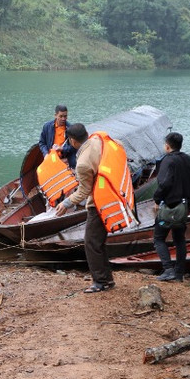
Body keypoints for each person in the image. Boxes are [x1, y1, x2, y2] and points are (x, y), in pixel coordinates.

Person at [54, 123, 115, 293]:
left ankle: (100, 282)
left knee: (90, 242)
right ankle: (107, 279)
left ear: (72, 141)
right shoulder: (97, 140)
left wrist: (66, 203)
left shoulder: (82, 163)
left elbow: (84, 191)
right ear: (86, 134)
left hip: (98, 204)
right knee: (99, 242)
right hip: (112, 197)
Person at [152, 132, 190, 282]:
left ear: (167, 146)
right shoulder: (189, 160)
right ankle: (179, 273)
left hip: (168, 208)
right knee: (179, 239)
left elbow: (164, 184)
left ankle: (168, 269)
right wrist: (189, 202)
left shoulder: (167, 161)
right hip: (183, 208)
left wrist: (157, 199)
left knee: (158, 238)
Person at [39, 104, 77, 168]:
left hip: (66, 160)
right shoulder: (47, 126)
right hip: (51, 158)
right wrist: (46, 154)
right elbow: (42, 143)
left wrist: (62, 149)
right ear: (55, 115)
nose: (63, 119)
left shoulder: (70, 128)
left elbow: (74, 147)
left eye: (65, 116)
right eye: (61, 116)